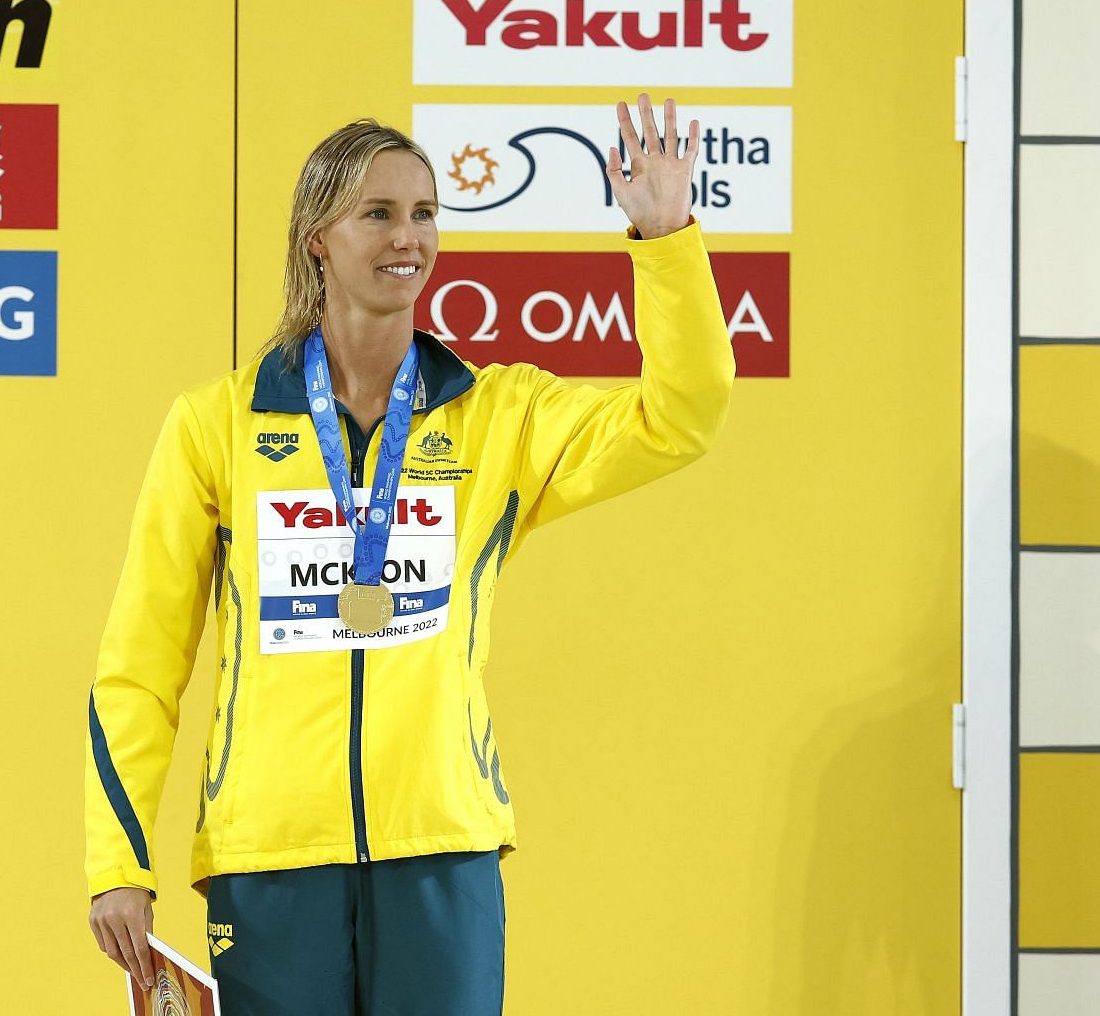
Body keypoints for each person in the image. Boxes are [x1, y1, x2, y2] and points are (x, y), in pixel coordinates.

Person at [86, 96, 734, 1014]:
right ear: (318, 237)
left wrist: (663, 240)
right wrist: (119, 860)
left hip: (442, 849)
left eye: (426, 212)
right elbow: (139, 665)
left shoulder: (499, 414)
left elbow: (682, 415)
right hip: (270, 856)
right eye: (379, 213)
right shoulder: (216, 425)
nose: (410, 236)